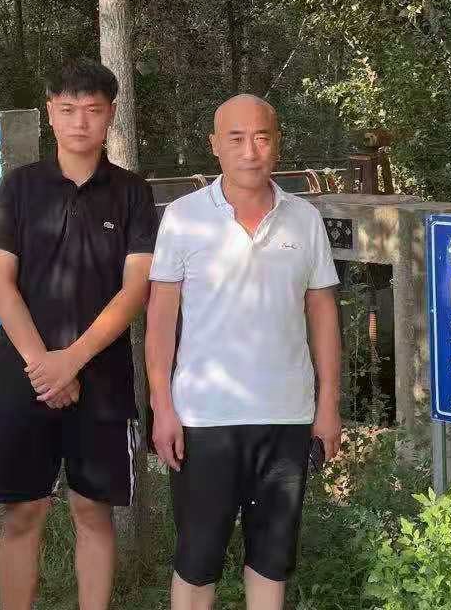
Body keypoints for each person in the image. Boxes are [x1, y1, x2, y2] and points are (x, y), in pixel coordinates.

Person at [145, 94, 343, 610]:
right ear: (215, 145)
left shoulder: (304, 219)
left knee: (272, 560)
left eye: (261, 137)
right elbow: (160, 321)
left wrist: (327, 405)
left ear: (277, 144)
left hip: (286, 416)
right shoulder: (183, 218)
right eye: (236, 138)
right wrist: (162, 406)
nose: (250, 151)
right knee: (197, 559)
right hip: (204, 418)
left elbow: (322, 314)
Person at [0, 59, 158, 610]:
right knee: (22, 511)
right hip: (25, 377)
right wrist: (44, 366)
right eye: (68, 109)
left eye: (93, 110)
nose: (81, 121)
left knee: (92, 511)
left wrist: (70, 362)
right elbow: (0, 280)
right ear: (50, 113)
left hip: (102, 380)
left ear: (110, 116)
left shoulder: (132, 193)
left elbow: (135, 289)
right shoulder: (19, 187)